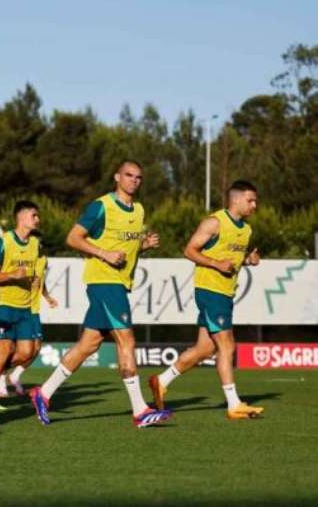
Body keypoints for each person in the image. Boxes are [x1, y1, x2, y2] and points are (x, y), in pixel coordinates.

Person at [29, 160, 172, 428]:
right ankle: (140, 410)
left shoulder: (138, 210)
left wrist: (142, 245)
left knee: (89, 344)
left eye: (138, 177)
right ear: (117, 177)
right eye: (128, 175)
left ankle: (43, 393)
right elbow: (73, 238)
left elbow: (123, 245)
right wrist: (103, 254)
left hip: (119, 283)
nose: (134, 180)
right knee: (126, 340)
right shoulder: (101, 206)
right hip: (104, 282)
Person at [150, 180, 264, 420]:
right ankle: (234, 404)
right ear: (236, 199)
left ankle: (161, 381)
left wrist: (247, 261)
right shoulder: (214, 222)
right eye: (250, 200)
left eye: (255, 200)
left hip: (225, 292)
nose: (255, 204)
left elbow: (231, 257)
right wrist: (216, 265)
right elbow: (189, 250)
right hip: (210, 290)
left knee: (205, 349)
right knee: (227, 345)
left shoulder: (246, 230)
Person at [0, 201, 41, 408]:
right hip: (3, 305)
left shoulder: (35, 244)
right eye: (34, 216)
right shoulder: (3, 242)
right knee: (4, 351)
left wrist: (31, 280)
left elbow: (30, 272)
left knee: (26, 353)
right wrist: (12, 275)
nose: (37, 220)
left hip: (25, 307)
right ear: (22, 218)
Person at [7, 239, 58, 395]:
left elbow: (40, 282)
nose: (39, 246)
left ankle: (14, 375)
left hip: (34, 310)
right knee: (23, 350)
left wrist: (47, 296)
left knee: (35, 349)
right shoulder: (23, 257)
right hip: (20, 307)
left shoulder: (43, 259)